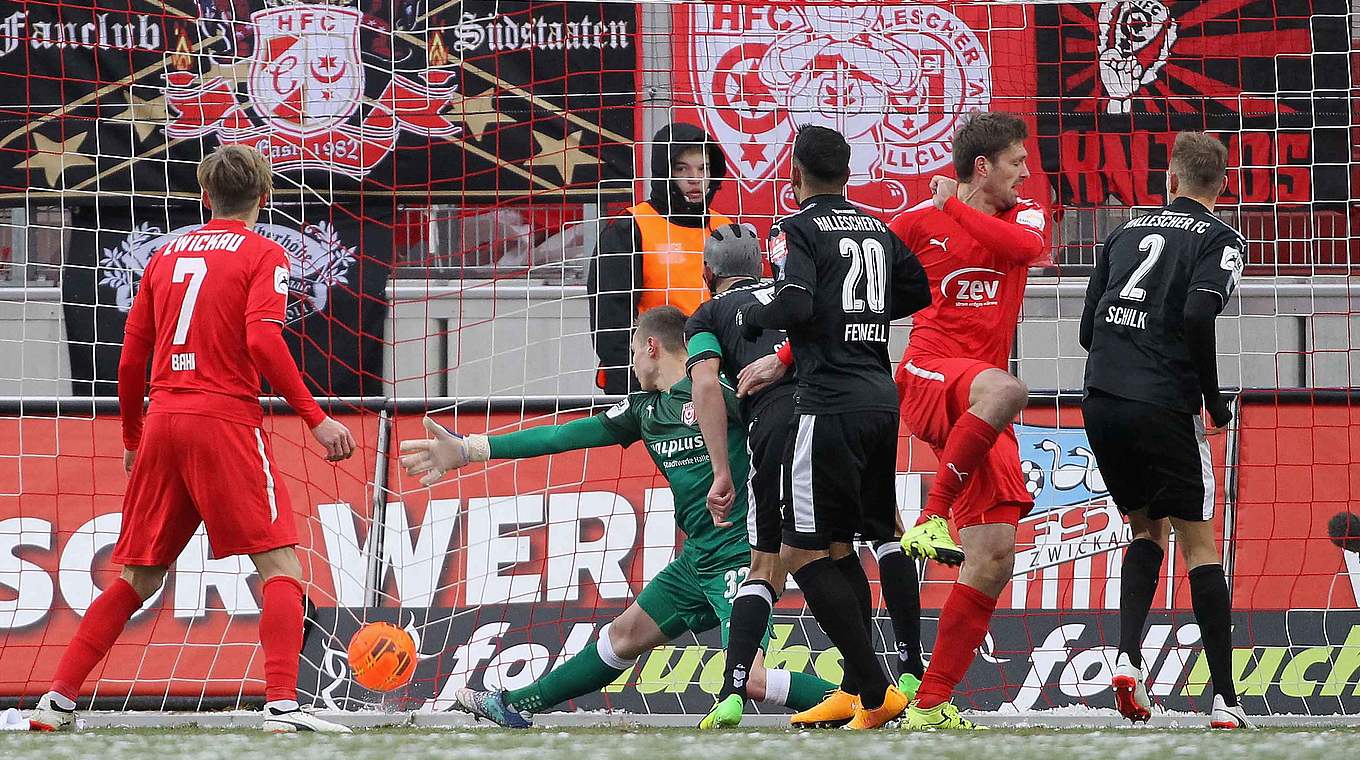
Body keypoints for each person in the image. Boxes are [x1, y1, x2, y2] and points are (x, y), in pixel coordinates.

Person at [27, 145, 357, 733]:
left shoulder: (164, 254)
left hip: (162, 422)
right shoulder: (265, 252)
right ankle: (282, 703)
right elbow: (262, 341)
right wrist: (315, 417)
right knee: (279, 564)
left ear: (204, 197)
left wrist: (132, 435)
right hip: (224, 422)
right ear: (266, 196)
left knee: (138, 577)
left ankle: (55, 700)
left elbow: (131, 359)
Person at [398, 306, 835, 728]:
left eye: (630, 352)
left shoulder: (718, 389)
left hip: (743, 555)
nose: (630, 363)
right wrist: (469, 449)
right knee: (623, 636)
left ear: (650, 346)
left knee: (752, 680)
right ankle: (512, 705)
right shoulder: (643, 409)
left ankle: (862, 698)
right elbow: (563, 435)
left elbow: (787, 430)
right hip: (698, 558)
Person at [736, 125, 932, 730]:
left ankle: (875, 689)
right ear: (849, 174)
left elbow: (792, 304)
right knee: (858, 539)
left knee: (795, 549)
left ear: (794, 175)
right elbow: (918, 290)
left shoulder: (794, 229)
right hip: (880, 398)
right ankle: (878, 681)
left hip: (828, 405)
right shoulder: (877, 226)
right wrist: (859, 315)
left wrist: (751, 314)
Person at [696, 229, 927, 728]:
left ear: (707, 274)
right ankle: (900, 676)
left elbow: (703, 384)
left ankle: (742, 692)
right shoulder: (797, 293)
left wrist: (720, 469)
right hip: (857, 405)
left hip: (791, 426)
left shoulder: (710, 313)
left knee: (772, 562)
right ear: (764, 266)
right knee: (868, 538)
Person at [1080, 131, 1249, 729]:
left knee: (1144, 528)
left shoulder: (1124, 232)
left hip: (1100, 399)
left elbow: (1085, 328)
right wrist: (1211, 396)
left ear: (1170, 181)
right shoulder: (1224, 240)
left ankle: (1127, 658)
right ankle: (1225, 699)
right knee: (1199, 544)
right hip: (1163, 402)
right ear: (1221, 185)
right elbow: (1200, 312)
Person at [887, 111, 1049, 730]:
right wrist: (789, 356)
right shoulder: (916, 226)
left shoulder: (1023, 216)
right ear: (983, 166)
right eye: (1015, 162)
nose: (1025, 172)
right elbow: (855, 286)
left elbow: (1025, 250)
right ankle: (930, 519)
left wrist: (955, 206)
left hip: (983, 406)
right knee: (1011, 388)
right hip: (929, 376)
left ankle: (929, 702)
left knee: (996, 554)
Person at [587, 123, 731, 394]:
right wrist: (633, 387)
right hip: (652, 379)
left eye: (703, 169)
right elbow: (609, 318)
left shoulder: (725, 229)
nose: (695, 178)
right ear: (664, 170)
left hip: (714, 373)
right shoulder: (630, 227)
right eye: (682, 169)